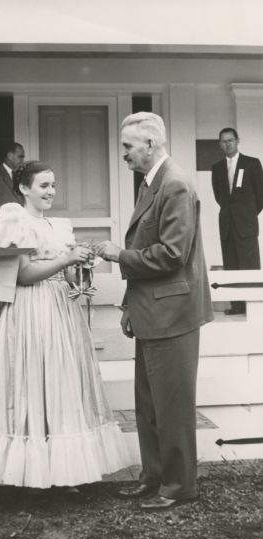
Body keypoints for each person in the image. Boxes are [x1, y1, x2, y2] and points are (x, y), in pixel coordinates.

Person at [0, 160, 130, 491]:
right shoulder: (13, 219)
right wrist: (65, 259)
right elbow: (23, 275)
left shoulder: (58, 225)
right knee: (32, 383)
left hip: (60, 310)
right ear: (24, 188)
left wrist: (81, 267)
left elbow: (67, 276)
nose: (51, 191)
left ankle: (62, 470)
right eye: (43, 185)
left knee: (59, 384)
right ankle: (29, 472)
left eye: (53, 185)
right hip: (31, 310)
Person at [98, 112, 213, 511]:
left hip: (173, 314)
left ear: (150, 144)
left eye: (128, 147)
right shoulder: (152, 184)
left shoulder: (175, 185)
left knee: (173, 405)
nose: (124, 154)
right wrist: (130, 304)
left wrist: (119, 255)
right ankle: (155, 476)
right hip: (151, 311)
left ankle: (179, 486)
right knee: (149, 404)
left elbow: (172, 254)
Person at [211, 127, 263, 315]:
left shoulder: (252, 163)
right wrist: (232, 214)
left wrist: (247, 214)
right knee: (231, 265)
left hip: (246, 225)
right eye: (224, 141)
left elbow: (260, 196)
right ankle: (236, 306)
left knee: (249, 265)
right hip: (227, 224)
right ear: (220, 145)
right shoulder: (216, 168)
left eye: (230, 140)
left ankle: (253, 306)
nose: (228, 144)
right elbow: (219, 197)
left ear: (237, 141)